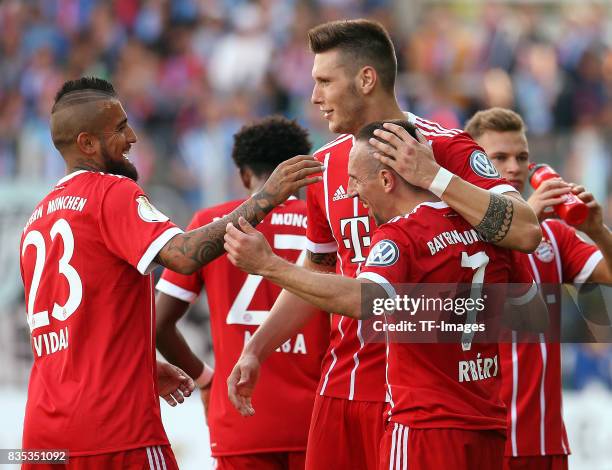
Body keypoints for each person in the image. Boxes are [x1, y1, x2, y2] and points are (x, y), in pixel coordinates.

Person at [228, 19, 541, 469]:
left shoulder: (446, 148)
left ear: (366, 78)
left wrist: (433, 176)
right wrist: (257, 347)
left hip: (421, 401)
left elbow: (525, 231)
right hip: (341, 388)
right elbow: (320, 272)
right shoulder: (326, 165)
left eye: (324, 81)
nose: (314, 96)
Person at [19, 77, 322, 469]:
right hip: (115, 431)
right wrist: (265, 199)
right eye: (119, 128)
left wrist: (140, 364)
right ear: (87, 143)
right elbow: (182, 255)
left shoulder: (37, 219)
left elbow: (68, 330)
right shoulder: (113, 193)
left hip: (43, 437)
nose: (132, 137)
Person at [155, 116, 330, 470]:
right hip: (318, 419)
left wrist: (207, 380)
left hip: (240, 418)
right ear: (302, 170)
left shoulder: (211, 225)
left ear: (244, 175)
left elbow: (158, 326)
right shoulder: (324, 224)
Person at [465, 107, 612, 470]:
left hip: (547, 441)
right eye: (499, 158)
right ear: (472, 165)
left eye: (522, 157)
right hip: (491, 441)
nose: (514, 167)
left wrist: (597, 230)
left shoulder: (555, 235)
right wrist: (522, 218)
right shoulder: (458, 236)